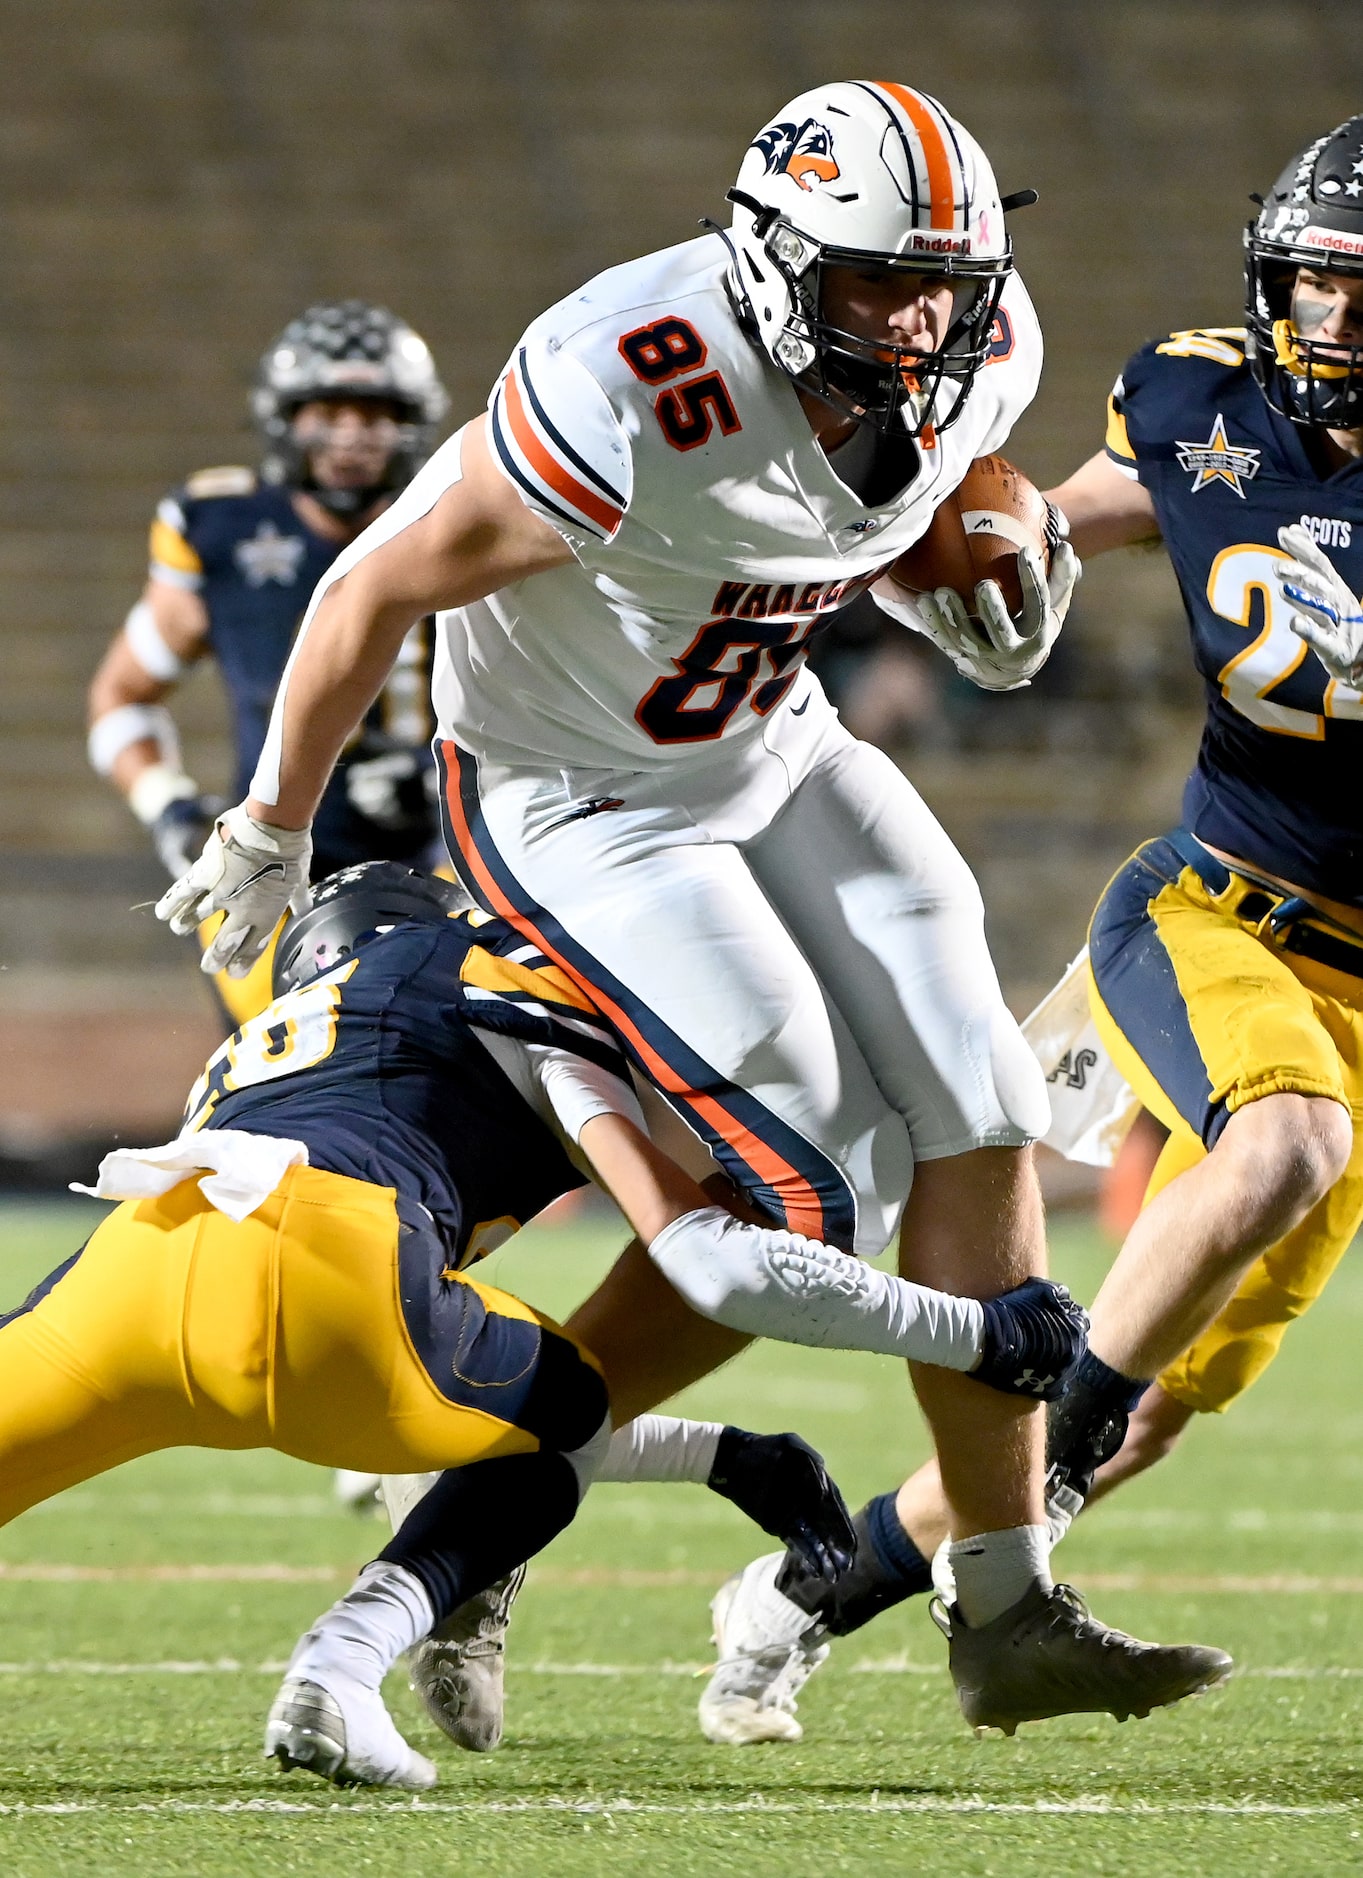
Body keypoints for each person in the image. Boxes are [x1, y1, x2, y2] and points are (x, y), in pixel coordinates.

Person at [152, 79, 1225, 1734]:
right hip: (576, 794)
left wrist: (984, 559)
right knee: (810, 1186)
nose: (920, 312)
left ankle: (1002, 1604)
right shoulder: (632, 381)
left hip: (765, 729)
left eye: (941, 274)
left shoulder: (973, 342)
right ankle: (475, 1528)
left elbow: (930, 490)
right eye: (876, 277)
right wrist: (268, 824)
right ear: (775, 264)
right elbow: (374, 583)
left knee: (982, 1098)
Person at [697, 115, 1363, 1744]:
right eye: (1315, 284)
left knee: (1137, 1419)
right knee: (1284, 1149)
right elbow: (1058, 519)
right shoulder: (1205, 403)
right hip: (1220, 917)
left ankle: (797, 1593)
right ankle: (1040, 1480)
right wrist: (920, 555)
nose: (1332, 323)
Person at [2, 862, 1088, 1786]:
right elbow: (698, 1258)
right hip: (331, 1269)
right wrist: (975, 1335)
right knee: (568, 1400)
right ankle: (340, 1664)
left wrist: (724, 1461)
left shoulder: (255, 1045)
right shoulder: (490, 979)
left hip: (131, 1264)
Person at [86, 300, 451, 1027]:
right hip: (272, 870)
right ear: (285, 419)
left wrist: (440, 776)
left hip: (448, 863)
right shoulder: (220, 528)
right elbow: (123, 696)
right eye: (328, 411)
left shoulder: (457, 514)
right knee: (269, 1087)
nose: (350, 436)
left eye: (374, 414)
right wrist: (172, 811)